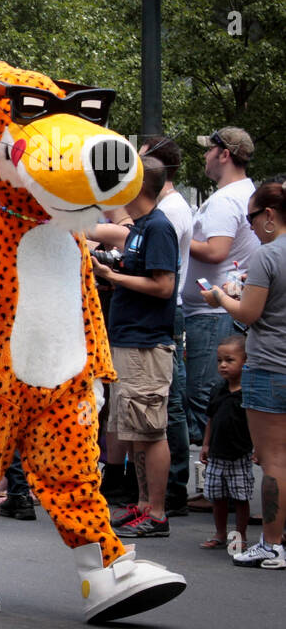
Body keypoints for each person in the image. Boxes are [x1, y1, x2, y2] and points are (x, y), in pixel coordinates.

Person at [199, 181, 286, 568]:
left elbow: (249, 314)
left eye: (252, 218)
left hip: (269, 365)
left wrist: (220, 298)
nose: (249, 227)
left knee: (274, 461)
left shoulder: (269, 256)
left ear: (269, 215)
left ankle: (271, 543)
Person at [94, 157, 180, 538]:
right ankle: (144, 504)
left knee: (150, 430)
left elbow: (164, 286)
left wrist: (113, 276)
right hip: (129, 340)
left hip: (147, 344)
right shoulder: (141, 227)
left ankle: (157, 512)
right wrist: (115, 277)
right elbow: (141, 277)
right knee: (133, 429)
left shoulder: (159, 227)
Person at [183, 127, 258, 443]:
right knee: (215, 396)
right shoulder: (246, 193)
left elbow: (216, 251)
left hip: (211, 313)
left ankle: (208, 482)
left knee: (203, 397)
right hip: (221, 310)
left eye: (208, 150)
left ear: (224, 154)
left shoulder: (226, 200)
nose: (204, 156)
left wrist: (180, 236)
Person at [142, 135, 195, 517]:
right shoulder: (164, 209)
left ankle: (173, 486)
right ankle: (157, 491)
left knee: (167, 404)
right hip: (158, 314)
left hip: (164, 314)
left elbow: (162, 277)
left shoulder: (170, 212)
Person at [197, 336, 253, 550]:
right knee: (217, 496)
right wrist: (206, 444)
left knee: (240, 497)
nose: (223, 365)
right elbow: (211, 418)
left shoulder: (248, 391)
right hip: (217, 454)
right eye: (219, 360)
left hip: (240, 454)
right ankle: (220, 533)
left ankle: (241, 536)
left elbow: (255, 423)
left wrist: (257, 449)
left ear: (245, 361)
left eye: (229, 360)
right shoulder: (218, 389)